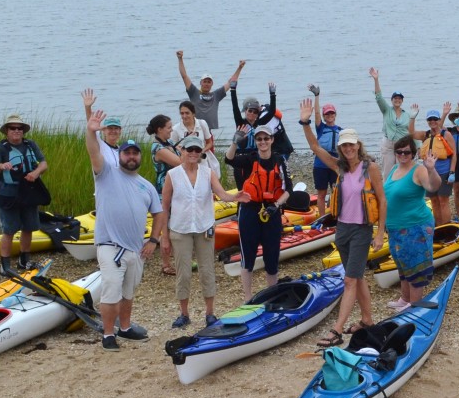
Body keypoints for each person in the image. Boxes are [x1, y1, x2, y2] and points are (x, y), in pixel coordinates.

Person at [297, 100, 387, 345]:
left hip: (361, 230)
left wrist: (379, 234)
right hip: (343, 229)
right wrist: (305, 122)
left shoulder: (372, 169)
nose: (348, 149)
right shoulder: (340, 168)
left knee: (349, 279)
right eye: (344, 145)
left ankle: (336, 331)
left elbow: (382, 200)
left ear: (358, 145)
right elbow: (315, 147)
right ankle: (367, 319)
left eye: (351, 145)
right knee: (356, 278)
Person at [84, 110, 167, 351]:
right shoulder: (106, 173)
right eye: (126, 153)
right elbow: (93, 151)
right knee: (111, 289)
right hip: (110, 245)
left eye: (134, 153)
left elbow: (159, 213)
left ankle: (126, 327)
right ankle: (108, 334)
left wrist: (153, 240)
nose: (130, 157)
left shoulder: (146, 185)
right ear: (119, 156)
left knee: (128, 291)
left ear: (140, 157)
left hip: (136, 248)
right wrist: (91, 130)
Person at [161, 134, 249, 329]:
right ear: (181, 152)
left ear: (201, 153)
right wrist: (164, 236)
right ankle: (184, 314)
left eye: (196, 150)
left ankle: (210, 313)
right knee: (183, 273)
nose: (192, 153)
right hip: (180, 229)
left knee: (207, 270)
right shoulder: (172, 175)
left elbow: (221, 194)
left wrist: (235, 197)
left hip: (204, 227)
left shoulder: (207, 172)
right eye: (189, 150)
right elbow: (164, 207)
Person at [225, 122, 292, 301]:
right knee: (248, 256)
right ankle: (248, 299)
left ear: (272, 140)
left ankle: (271, 296)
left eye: (266, 138)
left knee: (272, 257)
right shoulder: (250, 159)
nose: (263, 142)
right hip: (249, 212)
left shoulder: (280, 160)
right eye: (259, 139)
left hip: (272, 211)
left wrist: (275, 206)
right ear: (255, 141)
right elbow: (229, 159)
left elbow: (288, 190)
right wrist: (234, 142)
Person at [384, 135, 440, 310]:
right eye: (399, 151)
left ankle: (414, 304)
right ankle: (404, 298)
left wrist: (431, 169)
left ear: (413, 153)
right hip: (395, 227)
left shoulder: (419, 170)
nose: (402, 154)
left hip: (415, 226)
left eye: (406, 152)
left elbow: (433, 187)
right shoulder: (394, 168)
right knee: (402, 264)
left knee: (415, 266)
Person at [0, 115, 48, 276]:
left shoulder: (30, 145)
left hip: (29, 191)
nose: (16, 131)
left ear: (23, 131)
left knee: (28, 227)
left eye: (19, 128)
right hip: (9, 194)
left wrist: (36, 173)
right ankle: (5, 266)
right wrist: (2, 165)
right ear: (6, 131)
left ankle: (24, 260)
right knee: (9, 230)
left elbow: (43, 163)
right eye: (12, 128)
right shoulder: (0, 148)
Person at [146, 114, 182, 275]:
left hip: (176, 188)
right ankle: (166, 264)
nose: (171, 130)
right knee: (166, 228)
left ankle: (176, 258)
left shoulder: (170, 143)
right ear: (159, 130)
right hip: (163, 190)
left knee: (176, 225)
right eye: (168, 127)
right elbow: (180, 162)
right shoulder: (158, 148)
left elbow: (181, 155)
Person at [371, 67, 418, 172]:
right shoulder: (386, 110)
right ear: (392, 100)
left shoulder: (407, 115)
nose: (397, 100)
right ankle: (387, 188)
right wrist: (376, 79)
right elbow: (378, 97)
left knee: (402, 170)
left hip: (402, 146)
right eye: (395, 98)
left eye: (399, 99)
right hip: (388, 145)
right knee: (388, 172)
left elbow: (411, 132)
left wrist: (417, 147)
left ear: (402, 101)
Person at [414, 108, 456, 225]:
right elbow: (411, 133)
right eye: (430, 119)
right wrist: (412, 117)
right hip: (430, 174)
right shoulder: (425, 135)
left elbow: (454, 154)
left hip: (444, 172)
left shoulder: (446, 134)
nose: (432, 121)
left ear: (439, 120)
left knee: (443, 200)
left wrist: (452, 172)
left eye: (435, 119)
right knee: (434, 201)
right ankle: (438, 226)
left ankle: (446, 227)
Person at [308, 85, 342, 220]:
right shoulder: (320, 128)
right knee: (321, 193)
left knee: (336, 192)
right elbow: (316, 114)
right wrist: (316, 96)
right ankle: (322, 218)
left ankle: (336, 215)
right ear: (324, 116)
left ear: (335, 115)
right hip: (321, 165)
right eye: (327, 114)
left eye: (332, 113)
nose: (330, 116)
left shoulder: (341, 130)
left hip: (335, 164)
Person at [171, 99, 220, 180]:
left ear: (193, 113)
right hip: (186, 164)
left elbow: (209, 142)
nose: (184, 116)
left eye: (187, 113)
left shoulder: (202, 124)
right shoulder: (176, 129)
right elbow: (173, 146)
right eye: (182, 113)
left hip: (202, 162)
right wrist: (183, 152)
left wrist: (201, 151)